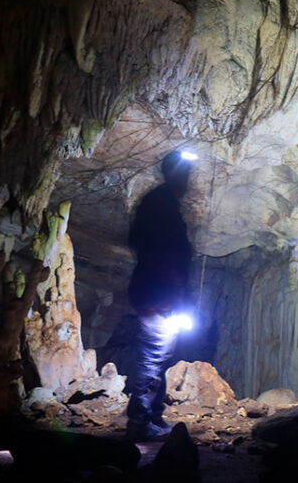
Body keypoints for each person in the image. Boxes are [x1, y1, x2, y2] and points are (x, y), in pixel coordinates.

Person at [125, 150, 194, 441]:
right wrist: (171, 293)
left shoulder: (159, 203)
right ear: (174, 174)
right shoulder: (162, 206)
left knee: (160, 356)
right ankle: (139, 422)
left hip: (156, 290)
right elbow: (165, 253)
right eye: (185, 175)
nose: (189, 181)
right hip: (158, 292)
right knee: (153, 355)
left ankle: (152, 415)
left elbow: (136, 240)